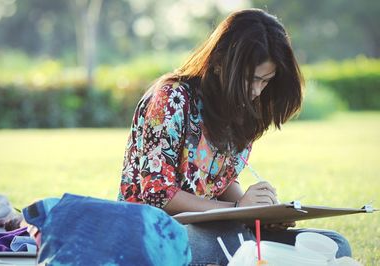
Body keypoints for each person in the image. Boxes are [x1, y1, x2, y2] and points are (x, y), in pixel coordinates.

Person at [118, 8, 351, 265]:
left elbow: (219, 180)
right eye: (251, 79)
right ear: (220, 63)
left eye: (265, 81)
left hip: (217, 226)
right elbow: (158, 194)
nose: (256, 90)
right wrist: (238, 210)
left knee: (336, 244)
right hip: (155, 230)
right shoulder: (171, 98)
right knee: (228, 240)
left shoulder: (242, 108)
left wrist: (260, 211)